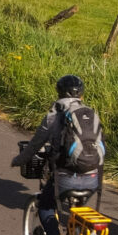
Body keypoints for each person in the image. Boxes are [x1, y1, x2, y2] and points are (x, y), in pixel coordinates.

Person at [27, 74, 104, 225]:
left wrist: (24, 156)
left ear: (59, 92)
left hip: (66, 178)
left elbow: (38, 141)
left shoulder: (54, 114)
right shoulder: (90, 114)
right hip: (93, 178)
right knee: (77, 209)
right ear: (81, 94)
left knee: (45, 204)